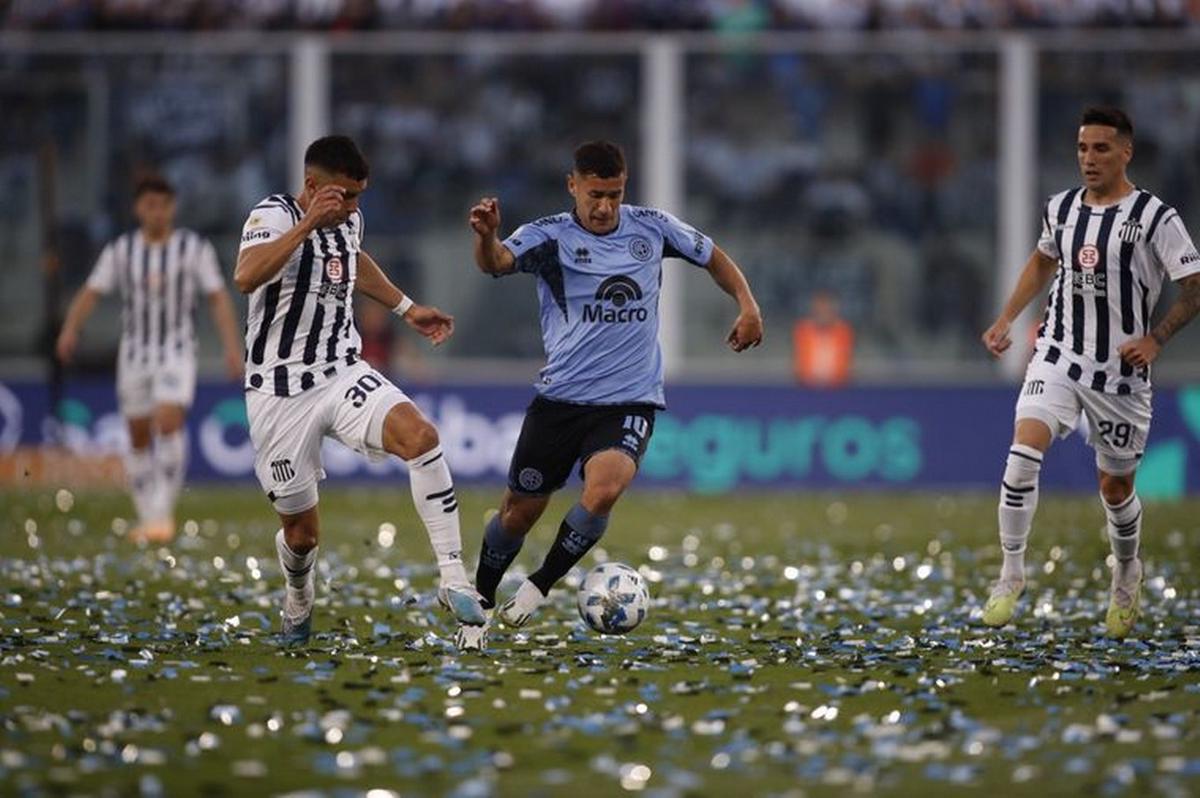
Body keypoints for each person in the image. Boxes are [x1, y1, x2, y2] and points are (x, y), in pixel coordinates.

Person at [464, 140, 764, 649]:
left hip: (630, 398)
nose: (605, 207)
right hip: (560, 401)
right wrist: (488, 236)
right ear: (573, 186)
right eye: (595, 194)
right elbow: (494, 263)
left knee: (604, 490)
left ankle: (540, 585)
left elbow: (714, 256)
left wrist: (748, 304)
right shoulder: (548, 237)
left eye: (615, 194)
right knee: (518, 513)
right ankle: (482, 600)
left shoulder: (652, 226)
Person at [234, 135, 485, 646]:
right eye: (344, 196)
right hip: (278, 392)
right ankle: (298, 595)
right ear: (312, 185)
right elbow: (245, 276)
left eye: (358, 197)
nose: (352, 207)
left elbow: (354, 259)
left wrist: (406, 307)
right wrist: (307, 225)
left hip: (340, 371)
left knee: (421, 436)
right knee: (302, 536)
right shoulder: (274, 215)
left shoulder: (349, 220)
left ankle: (453, 576)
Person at [981, 106, 1200, 638]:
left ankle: (1126, 572)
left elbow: (1194, 285)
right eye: (1082, 148)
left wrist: (1157, 338)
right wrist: (1008, 317)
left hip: (1120, 375)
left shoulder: (1155, 217)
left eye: (1101, 148)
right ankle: (1010, 573)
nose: (1089, 159)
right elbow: (1042, 261)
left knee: (1116, 488)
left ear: (1126, 151)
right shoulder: (1061, 209)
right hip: (1058, 353)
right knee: (1022, 453)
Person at [56, 176, 242, 543]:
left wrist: (231, 346)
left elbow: (218, 297)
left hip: (176, 350)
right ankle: (148, 515)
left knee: (168, 421)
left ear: (172, 207)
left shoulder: (193, 248)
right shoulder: (121, 251)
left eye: (163, 204)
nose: (157, 212)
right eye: (149, 205)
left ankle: (161, 513)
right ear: (138, 208)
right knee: (138, 435)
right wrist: (69, 329)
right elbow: (91, 292)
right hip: (134, 354)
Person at [792, 290, 854, 387]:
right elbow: (800, 365)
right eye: (820, 309)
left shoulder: (843, 331)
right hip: (808, 388)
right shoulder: (803, 330)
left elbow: (845, 364)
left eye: (826, 309)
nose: (823, 314)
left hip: (837, 388)